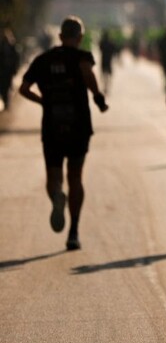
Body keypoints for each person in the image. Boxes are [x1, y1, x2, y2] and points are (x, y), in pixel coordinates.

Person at [19, 16, 108, 251]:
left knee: (53, 176)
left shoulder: (43, 60)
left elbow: (23, 88)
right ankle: (73, 232)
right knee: (76, 176)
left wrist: (43, 102)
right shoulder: (82, 57)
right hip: (78, 125)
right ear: (79, 37)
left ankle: (57, 195)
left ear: (59, 36)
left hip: (52, 125)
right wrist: (98, 98)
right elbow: (88, 75)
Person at [0, 27, 19, 109]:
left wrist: (14, 69)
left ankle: (6, 101)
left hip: (8, 71)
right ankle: (5, 101)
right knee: (2, 87)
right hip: (2, 71)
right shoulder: (1, 47)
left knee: (7, 86)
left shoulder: (12, 47)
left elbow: (16, 59)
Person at [98, 28, 118, 96]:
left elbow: (100, 49)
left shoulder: (102, 42)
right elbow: (114, 51)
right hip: (109, 60)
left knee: (104, 74)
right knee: (108, 74)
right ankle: (107, 86)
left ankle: (105, 86)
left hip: (104, 60)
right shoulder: (111, 42)